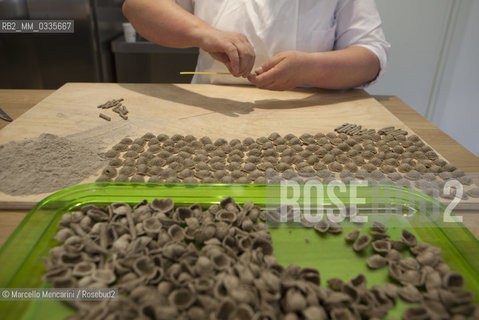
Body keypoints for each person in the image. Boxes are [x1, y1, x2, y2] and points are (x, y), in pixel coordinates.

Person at [122, 0, 390, 91]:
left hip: (310, 116)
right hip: (213, 113)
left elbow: (370, 57)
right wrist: (203, 33)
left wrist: (308, 68)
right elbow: (138, 7)